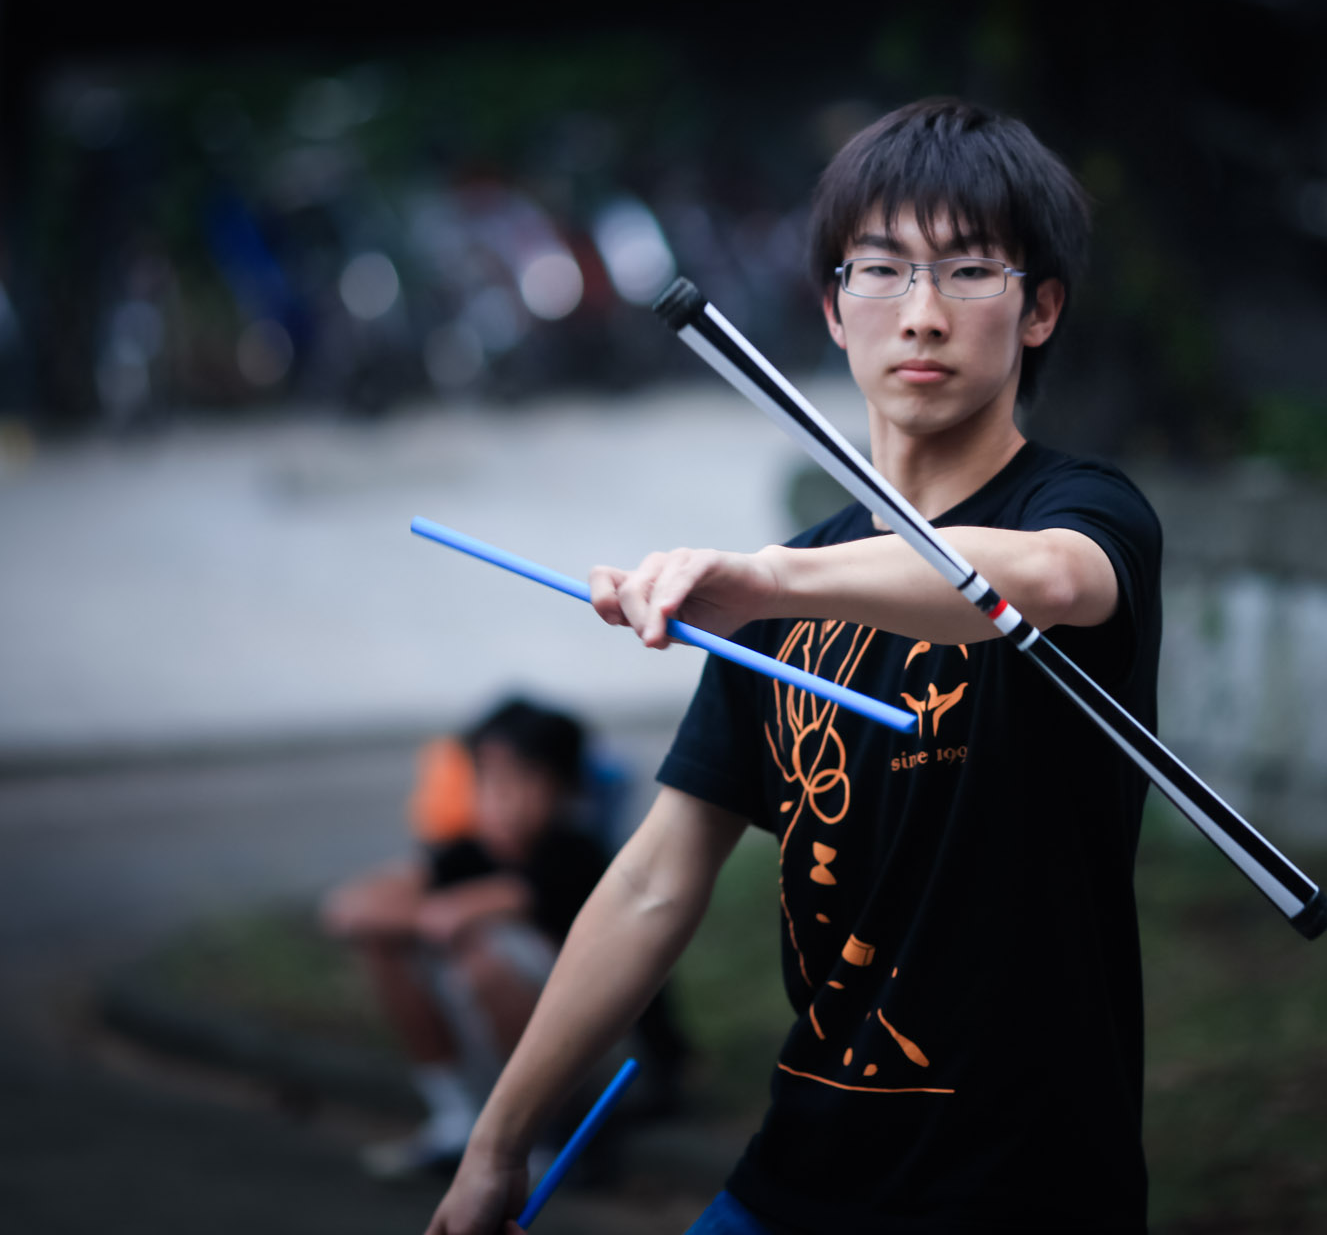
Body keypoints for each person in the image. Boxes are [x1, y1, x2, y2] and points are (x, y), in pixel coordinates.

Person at [427, 98, 1163, 1234]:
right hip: (798, 1175)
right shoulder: (789, 586)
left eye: (971, 271)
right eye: (883, 270)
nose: (922, 314)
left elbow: (1047, 583)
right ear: (831, 305)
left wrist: (771, 579)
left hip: (1025, 1188)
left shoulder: (1081, 513)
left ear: (1041, 309)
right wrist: (497, 1144)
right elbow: (655, 880)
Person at [323, 698, 684, 1178]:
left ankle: (542, 1136)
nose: (503, 798)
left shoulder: (576, 855)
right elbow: (348, 910)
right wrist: (425, 914)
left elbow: (464, 913)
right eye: (488, 779)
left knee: (484, 956)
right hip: (515, 1050)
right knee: (384, 944)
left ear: (565, 788)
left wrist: (433, 914)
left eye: (523, 780)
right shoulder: (464, 853)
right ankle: (457, 1117)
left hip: (608, 1063)